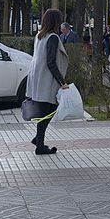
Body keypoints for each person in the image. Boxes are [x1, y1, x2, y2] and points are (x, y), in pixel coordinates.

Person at [29, 8, 69, 155]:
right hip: (47, 79)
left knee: (45, 110)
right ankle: (40, 145)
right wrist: (62, 82)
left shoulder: (40, 36)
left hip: (38, 78)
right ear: (55, 21)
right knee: (49, 110)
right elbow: (51, 62)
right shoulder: (52, 37)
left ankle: (38, 139)